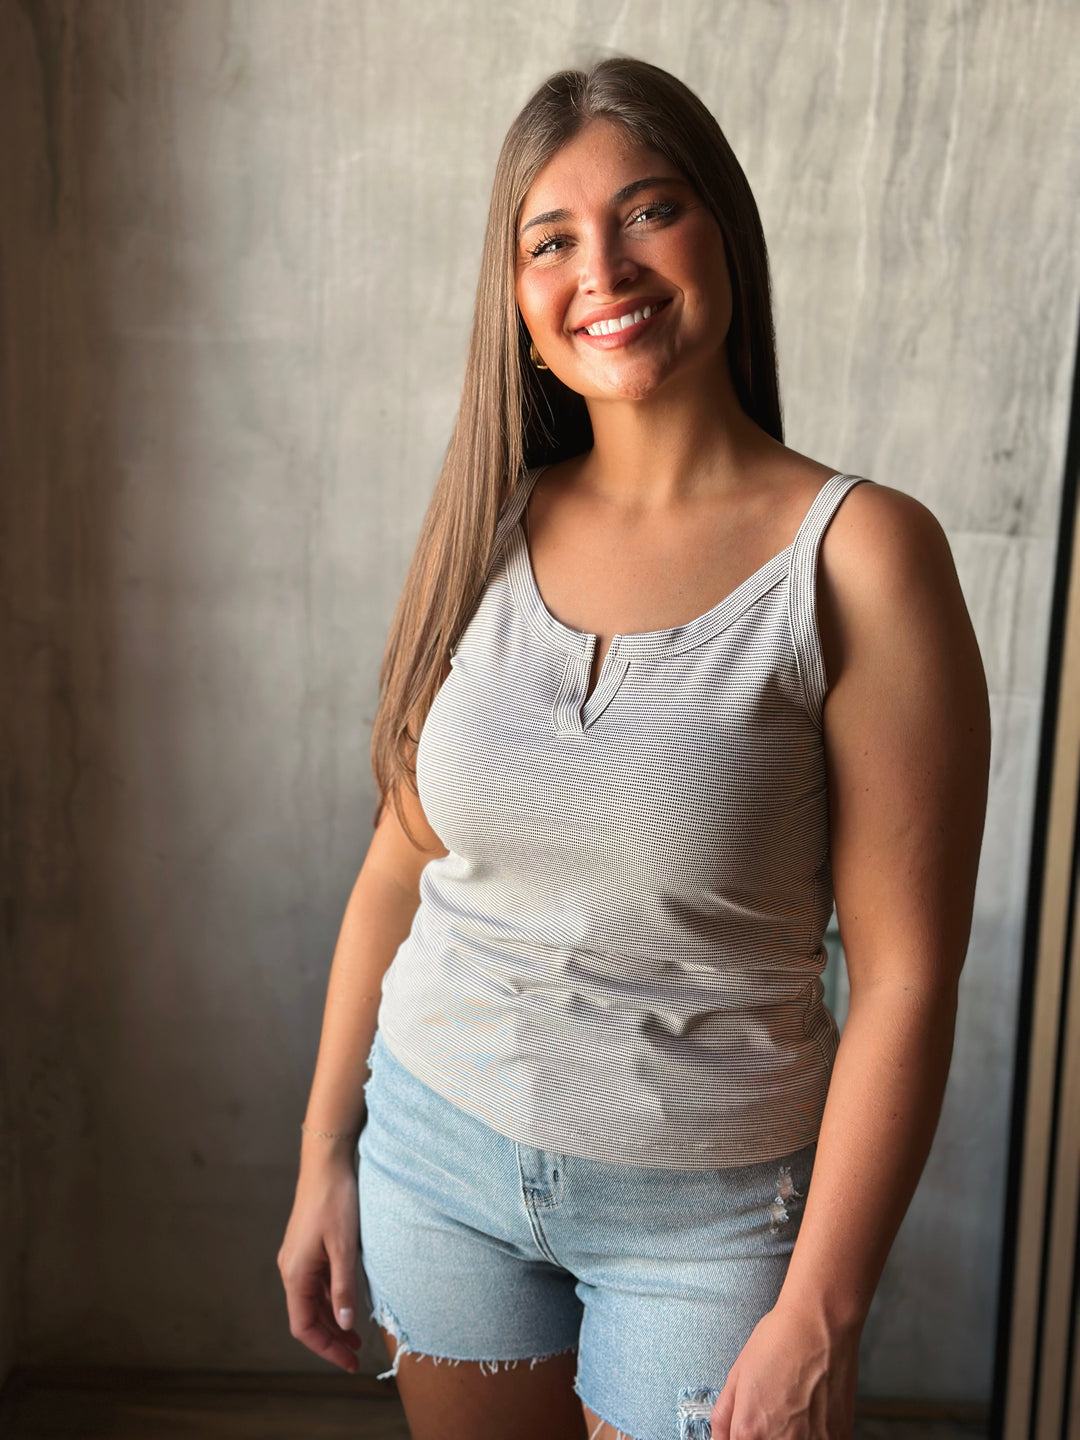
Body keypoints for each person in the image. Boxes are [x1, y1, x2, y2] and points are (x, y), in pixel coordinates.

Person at [277, 55, 991, 1440]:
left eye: (648, 212)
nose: (602, 267)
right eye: (552, 239)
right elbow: (397, 868)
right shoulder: (487, 525)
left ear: (722, 229)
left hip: (711, 1226)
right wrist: (325, 1154)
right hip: (437, 1160)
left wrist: (822, 1311)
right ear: (518, 296)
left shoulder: (860, 559)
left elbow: (907, 977)